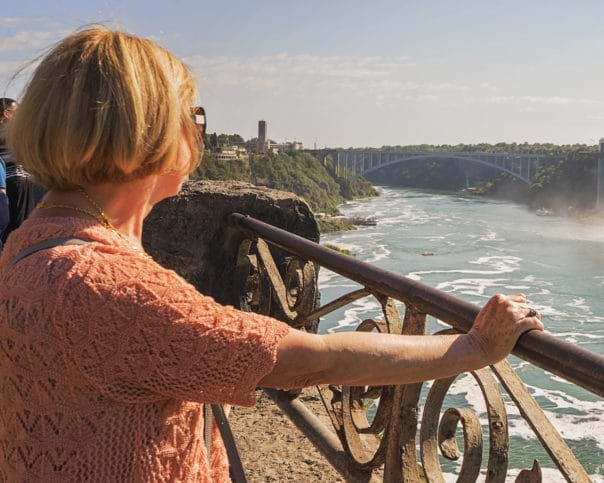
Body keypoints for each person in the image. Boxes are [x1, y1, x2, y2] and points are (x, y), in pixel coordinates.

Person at [0, 28, 543, 482]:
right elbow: (310, 359)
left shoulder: (34, 240)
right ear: (145, 134)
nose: (198, 131)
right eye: (192, 116)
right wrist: (470, 349)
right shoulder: (100, 281)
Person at [0, 97, 35, 244]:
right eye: (17, 112)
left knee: (22, 227)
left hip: (21, 180)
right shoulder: (8, 132)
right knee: (17, 229)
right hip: (13, 182)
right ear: (6, 113)